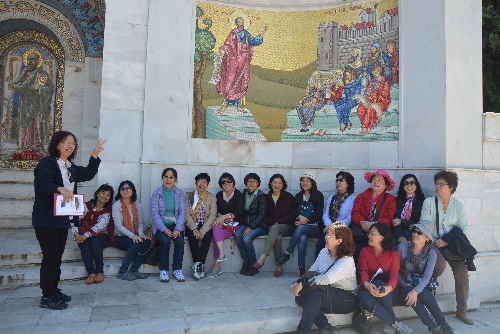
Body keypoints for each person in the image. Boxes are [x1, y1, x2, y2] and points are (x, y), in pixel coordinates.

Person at [32, 130, 104, 310]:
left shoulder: (70, 167)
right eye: (65, 141)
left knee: (57, 257)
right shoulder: (47, 163)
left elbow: (87, 173)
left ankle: (54, 289)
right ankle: (46, 295)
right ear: (57, 144)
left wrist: (94, 156)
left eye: (73, 142)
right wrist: (60, 189)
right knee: (50, 257)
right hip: (46, 219)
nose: (70, 145)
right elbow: (43, 185)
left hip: (62, 219)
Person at [421, 170, 475, 325]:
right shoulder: (429, 202)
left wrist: (447, 241)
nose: (438, 186)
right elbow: (425, 224)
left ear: (451, 187)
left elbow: (463, 229)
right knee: (437, 264)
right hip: (432, 242)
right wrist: (435, 240)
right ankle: (430, 296)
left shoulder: (458, 205)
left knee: (462, 273)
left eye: (442, 184)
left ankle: (462, 311)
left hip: (452, 245)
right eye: (436, 183)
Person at [291, 223, 357, 334]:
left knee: (316, 293)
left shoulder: (346, 261)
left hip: (346, 299)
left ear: (339, 241)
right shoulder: (323, 252)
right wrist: (297, 282)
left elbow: (327, 279)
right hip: (328, 292)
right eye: (327, 234)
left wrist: (303, 283)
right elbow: (312, 271)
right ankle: (325, 325)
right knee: (299, 296)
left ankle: (302, 331)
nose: (326, 237)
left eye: (330, 235)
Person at [396, 221, 454, 334]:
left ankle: (442, 323)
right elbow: (395, 271)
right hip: (402, 283)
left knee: (425, 295)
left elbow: (427, 276)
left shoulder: (431, 253)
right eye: (414, 231)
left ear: (427, 238)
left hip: (419, 284)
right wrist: (405, 285)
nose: (415, 234)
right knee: (412, 297)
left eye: (419, 232)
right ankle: (432, 326)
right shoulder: (402, 247)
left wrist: (416, 291)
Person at [358, 223, 413, 334]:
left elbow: (394, 276)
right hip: (369, 288)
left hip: (388, 291)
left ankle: (390, 323)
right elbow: (363, 271)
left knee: (379, 284)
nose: (369, 236)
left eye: (372, 234)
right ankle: (394, 323)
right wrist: (367, 285)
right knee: (363, 298)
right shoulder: (364, 251)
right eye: (369, 233)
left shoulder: (393, 254)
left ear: (382, 237)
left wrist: (388, 288)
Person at [215, 17, 267, 114]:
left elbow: (254, 41)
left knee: (242, 82)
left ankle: (239, 106)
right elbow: (228, 45)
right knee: (230, 82)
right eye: (239, 23)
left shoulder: (246, 33)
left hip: (244, 61)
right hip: (233, 61)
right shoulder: (233, 33)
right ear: (236, 24)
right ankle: (224, 105)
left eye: (243, 23)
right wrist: (222, 49)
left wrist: (262, 34)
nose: (241, 25)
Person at [277, 173, 324, 276]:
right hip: (301, 227)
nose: (305, 183)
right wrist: (299, 217)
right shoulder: (299, 195)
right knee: (302, 238)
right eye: (303, 181)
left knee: (301, 228)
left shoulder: (318, 195)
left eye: (308, 181)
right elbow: (293, 211)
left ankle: (288, 252)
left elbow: (319, 213)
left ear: (312, 183)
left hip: (315, 227)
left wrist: (305, 221)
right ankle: (301, 269)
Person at [9, 50, 54, 152]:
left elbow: (48, 88)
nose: (30, 61)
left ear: (37, 61)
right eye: (29, 59)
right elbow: (16, 84)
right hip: (24, 103)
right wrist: (20, 87)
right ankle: (22, 147)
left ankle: (36, 146)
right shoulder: (24, 72)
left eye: (33, 59)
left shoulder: (41, 73)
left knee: (35, 124)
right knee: (24, 125)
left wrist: (38, 88)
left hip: (35, 104)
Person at [72, 183, 114, 285]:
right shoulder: (86, 206)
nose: (105, 196)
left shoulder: (107, 211)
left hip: (102, 235)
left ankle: (100, 271)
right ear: (97, 194)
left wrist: (84, 236)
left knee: (94, 241)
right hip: (83, 234)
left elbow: (100, 226)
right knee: (85, 243)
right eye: (103, 193)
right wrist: (76, 233)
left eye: (108, 195)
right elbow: (76, 219)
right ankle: (91, 273)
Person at [150, 168, 187, 282]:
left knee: (180, 240)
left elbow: (182, 213)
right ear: (162, 178)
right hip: (160, 226)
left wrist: (177, 229)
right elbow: (154, 214)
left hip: (176, 226)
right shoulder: (156, 193)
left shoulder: (180, 194)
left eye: (171, 177)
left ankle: (177, 270)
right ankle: (163, 270)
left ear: (175, 179)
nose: (168, 179)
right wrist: (164, 229)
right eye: (166, 176)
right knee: (165, 241)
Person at [255, 174, 295, 277]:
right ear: (271, 184)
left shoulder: (288, 197)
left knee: (275, 228)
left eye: (279, 183)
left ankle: (263, 256)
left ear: (283, 185)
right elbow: (265, 215)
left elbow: (292, 215)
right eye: (275, 182)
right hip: (272, 227)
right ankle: (279, 266)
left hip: (287, 226)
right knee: (277, 237)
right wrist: (274, 222)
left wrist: (279, 222)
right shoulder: (267, 197)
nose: (277, 185)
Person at [113, 180, 151, 281]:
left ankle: (134, 270)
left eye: (128, 188)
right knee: (136, 243)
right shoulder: (116, 206)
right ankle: (123, 271)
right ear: (120, 192)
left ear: (132, 191)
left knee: (147, 241)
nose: (125, 190)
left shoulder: (137, 205)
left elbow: (140, 222)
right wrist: (133, 236)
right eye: (123, 189)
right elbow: (118, 226)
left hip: (134, 235)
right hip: (119, 237)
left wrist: (140, 234)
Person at [207, 172, 244, 277]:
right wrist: (221, 218)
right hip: (223, 223)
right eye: (224, 182)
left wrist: (225, 217)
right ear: (221, 184)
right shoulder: (219, 195)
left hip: (236, 224)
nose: (226, 183)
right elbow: (217, 211)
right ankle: (222, 254)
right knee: (215, 226)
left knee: (217, 236)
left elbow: (239, 212)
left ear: (233, 182)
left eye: (229, 181)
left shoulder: (238, 195)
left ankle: (216, 267)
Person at [351, 169, 396, 252]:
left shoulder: (391, 199)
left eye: (380, 180)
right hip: (361, 230)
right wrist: (363, 223)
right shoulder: (361, 196)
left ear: (386, 185)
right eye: (374, 179)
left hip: (379, 233)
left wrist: (372, 225)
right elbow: (355, 213)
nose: (376, 182)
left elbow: (388, 218)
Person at [185, 173, 217, 279]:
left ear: (207, 185)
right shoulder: (188, 196)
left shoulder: (211, 198)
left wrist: (202, 231)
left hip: (205, 225)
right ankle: (199, 265)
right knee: (192, 237)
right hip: (192, 224)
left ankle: (198, 264)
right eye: (200, 181)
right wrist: (194, 228)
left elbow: (212, 215)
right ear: (195, 183)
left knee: (207, 238)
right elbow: (186, 214)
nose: (202, 184)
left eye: (204, 182)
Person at [317, 171, 356, 255]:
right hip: (328, 228)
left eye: (341, 180)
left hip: (342, 230)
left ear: (348, 183)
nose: (338, 182)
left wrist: (334, 227)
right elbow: (325, 215)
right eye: (337, 180)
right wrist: (330, 226)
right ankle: (318, 267)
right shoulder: (332, 198)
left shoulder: (353, 199)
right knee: (321, 244)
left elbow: (349, 218)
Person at [236, 173, 267, 276]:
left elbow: (261, 215)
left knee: (246, 239)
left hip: (259, 225)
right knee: (238, 234)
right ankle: (246, 262)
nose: (251, 183)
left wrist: (251, 226)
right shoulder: (243, 194)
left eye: (254, 181)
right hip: (246, 224)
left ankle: (253, 265)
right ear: (246, 183)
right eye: (249, 181)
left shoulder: (261, 196)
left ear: (258, 183)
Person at [357, 65, 391, 135]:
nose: (374, 74)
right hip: (371, 100)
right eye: (373, 72)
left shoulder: (384, 81)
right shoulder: (372, 81)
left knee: (370, 109)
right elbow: (367, 91)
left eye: (376, 72)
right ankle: (367, 125)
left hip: (382, 102)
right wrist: (367, 93)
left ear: (379, 72)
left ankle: (365, 127)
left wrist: (379, 88)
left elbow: (386, 94)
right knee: (360, 108)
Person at [392, 174, 425, 244]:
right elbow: (395, 221)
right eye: (406, 183)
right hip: (399, 233)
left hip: (415, 233)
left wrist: (402, 222)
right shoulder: (398, 200)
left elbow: (420, 222)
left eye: (412, 183)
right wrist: (400, 236)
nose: (409, 185)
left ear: (416, 185)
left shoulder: (422, 201)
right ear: (403, 186)